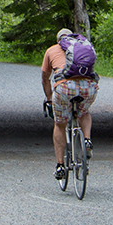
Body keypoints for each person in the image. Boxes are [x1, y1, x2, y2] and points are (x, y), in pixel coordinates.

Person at [41, 27, 98, 181]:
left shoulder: (52, 50)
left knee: (60, 124)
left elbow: (45, 78)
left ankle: (60, 165)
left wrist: (49, 98)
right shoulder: (83, 47)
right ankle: (86, 139)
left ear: (58, 40)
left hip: (65, 87)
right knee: (84, 112)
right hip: (89, 86)